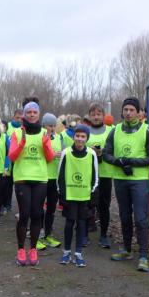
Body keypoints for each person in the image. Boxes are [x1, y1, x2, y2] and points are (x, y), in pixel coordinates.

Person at [103, 97, 149, 272]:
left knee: (140, 218)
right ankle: (127, 250)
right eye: (125, 109)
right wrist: (119, 162)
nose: (128, 113)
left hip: (139, 180)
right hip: (120, 179)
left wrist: (131, 162)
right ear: (122, 111)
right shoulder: (115, 130)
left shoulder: (147, 130)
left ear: (138, 112)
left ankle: (143, 256)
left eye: (132, 110)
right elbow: (106, 154)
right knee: (125, 216)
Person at [8, 101, 54, 266]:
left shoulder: (44, 132)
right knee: (24, 214)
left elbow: (49, 158)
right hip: (22, 178)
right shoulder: (17, 132)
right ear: (24, 114)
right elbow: (12, 157)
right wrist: (22, 143)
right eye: (29, 112)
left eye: (35, 112)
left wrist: (46, 144)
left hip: (40, 178)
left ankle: (33, 249)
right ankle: (21, 249)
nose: (32, 115)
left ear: (38, 114)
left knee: (37, 214)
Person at [57, 124, 99, 267]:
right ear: (73, 137)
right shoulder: (66, 152)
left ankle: (78, 253)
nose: (80, 139)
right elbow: (60, 175)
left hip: (84, 196)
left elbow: (95, 176)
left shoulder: (92, 154)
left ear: (87, 138)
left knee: (81, 224)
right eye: (77, 136)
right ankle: (66, 252)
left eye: (83, 136)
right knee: (69, 223)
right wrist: (62, 194)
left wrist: (93, 195)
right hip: (70, 196)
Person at [85, 103, 115, 249]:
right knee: (87, 205)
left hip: (105, 174)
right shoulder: (85, 131)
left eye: (98, 114)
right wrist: (89, 151)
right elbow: (77, 148)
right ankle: (84, 234)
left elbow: (115, 150)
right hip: (88, 175)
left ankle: (103, 235)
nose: (96, 117)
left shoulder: (111, 130)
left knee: (104, 206)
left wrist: (103, 152)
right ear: (89, 116)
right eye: (93, 114)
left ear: (103, 116)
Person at [39, 113, 63, 248]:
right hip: (42, 177)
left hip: (55, 178)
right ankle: (39, 234)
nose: (52, 128)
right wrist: (53, 155)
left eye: (54, 126)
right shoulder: (40, 137)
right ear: (44, 126)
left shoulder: (59, 138)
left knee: (51, 208)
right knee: (39, 208)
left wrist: (61, 155)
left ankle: (48, 234)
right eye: (49, 125)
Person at [2, 108, 24, 214]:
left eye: (21, 118)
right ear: (13, 117)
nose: (19, 120)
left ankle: (21, 208)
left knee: (19, 186)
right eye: (17, 118)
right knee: (7, 185)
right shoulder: (8, 126)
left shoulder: (24, 128)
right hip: (8, 160)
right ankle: (7, 204)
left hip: (19, 161)